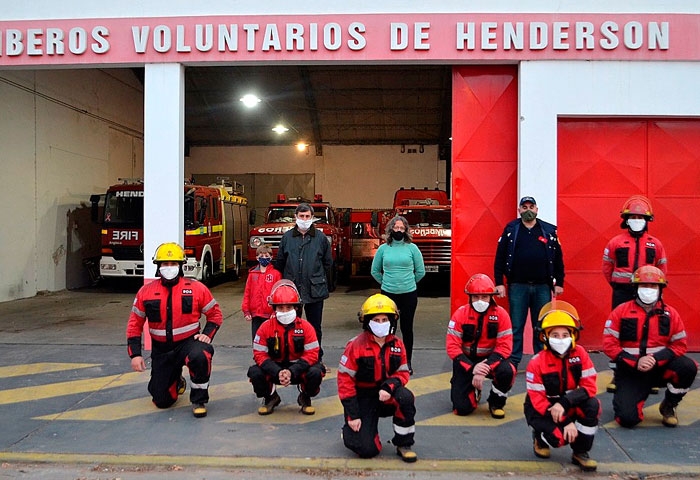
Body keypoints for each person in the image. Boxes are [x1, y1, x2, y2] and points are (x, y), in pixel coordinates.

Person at [126, 242, 223, 418]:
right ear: (158, 266)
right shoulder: (145, 292)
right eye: (165, 264)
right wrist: (135, 354)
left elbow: (215, 314)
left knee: (201, 355)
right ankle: (176, 380)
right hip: (162, 350)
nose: (169, 268)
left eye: (173, 264)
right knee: (161, 401)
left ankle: (199, 400)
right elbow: (135, 323)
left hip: (189, 343)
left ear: (181, 266)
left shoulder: (196, 288)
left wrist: (207, 335)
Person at [602, 266, 698, 428]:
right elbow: (609, 344)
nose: (648, 290)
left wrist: (655, 359)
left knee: (688, 367)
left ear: (661, 289)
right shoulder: (620, 312)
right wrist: (635, 361)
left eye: (653, 286)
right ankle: (630, 397)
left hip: (660, 368)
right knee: (627, 419)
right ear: (635, 288)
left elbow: (680, 345)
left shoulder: (671, 314)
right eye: (644, 286)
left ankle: (669, 405)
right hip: (631, 371)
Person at [338, 294, 417, 462]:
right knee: (367, 450)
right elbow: (345, 382)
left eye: (384, 319)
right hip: (363, 398)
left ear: (392, 321)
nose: (381, 324)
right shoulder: (355, 346)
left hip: (386, 395)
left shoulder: (398, 344)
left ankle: (404, 443)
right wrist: (353, 415)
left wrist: (389, 386)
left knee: (405, 397)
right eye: (376, 320)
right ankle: (351, 431)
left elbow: (403, 372)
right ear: (366, 321)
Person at [602, 195, 668, 393]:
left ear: (647, 220)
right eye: (633, 217)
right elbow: (607, 268)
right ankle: (619, 374)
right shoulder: (615, 242)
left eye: (641, 217)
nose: (637, 220)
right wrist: (618, 286)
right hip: (622, 291)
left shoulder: (655, 244)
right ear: (626, 219)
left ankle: (652, 375)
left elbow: (662, 268)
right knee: (622, 331)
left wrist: (655, 290)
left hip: (649, 292)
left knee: (652, 332)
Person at [524, 300, 600, 472]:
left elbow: (590, 387)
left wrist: (564, 404)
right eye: (555, 335)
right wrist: (565, 422)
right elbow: (538, 400)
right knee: (560, 439)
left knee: (593, 405)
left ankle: (580, 452)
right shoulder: (536, 362)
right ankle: (540, 437)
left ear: (573, 335)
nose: (561, 339)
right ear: (545, 337)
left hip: (568, 405)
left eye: (565, 334)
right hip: (542, 410)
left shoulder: (580, 354)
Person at [494, 196, 564, 369]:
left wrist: (559, 282)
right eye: (524, 207)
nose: (528, 210)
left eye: (531, 206)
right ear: (519, 210)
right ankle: (513, 361)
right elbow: (500, 258)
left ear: (537, 209)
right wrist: (499, 282)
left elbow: (558, 259)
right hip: (518, 285)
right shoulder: (511, 230)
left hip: (542, 286)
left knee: (541, 325)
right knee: (516, 325)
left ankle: (541, 360)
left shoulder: (548, 231)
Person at [247, 279, 325, 416]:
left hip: (299, 371)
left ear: (296, 308)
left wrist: (292, 371)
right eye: (280, 308)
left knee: (316, 372)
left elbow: (313, 354)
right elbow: (259, 354)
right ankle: (271, 397)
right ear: (274, 308)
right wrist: (277, 372)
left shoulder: (306, 328)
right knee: (255, 373)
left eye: (288, 307)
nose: (284, 311)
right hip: (274, 371)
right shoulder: (265, 328)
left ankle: (305, 396)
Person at [445, 273, 516, 419]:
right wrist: (472, 368)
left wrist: (485, 367)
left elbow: (505, 347)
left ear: (491, 297)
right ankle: (470, 390)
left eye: (484, 297)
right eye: (476, 297)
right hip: (466, 361)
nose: (480, 301)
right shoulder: (460, 315)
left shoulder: (502, 315)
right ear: (469, 297)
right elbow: (452, 346)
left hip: (490, 361)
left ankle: (496, 403)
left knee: (507, 371)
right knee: (462, 409)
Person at [275, 202, 333, 362]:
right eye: (302, 216)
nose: (305, 219)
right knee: (291, 325)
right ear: (296, 217)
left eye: (308, 216)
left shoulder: (320, 238)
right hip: (292, 290)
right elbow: (280, 261)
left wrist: (323, 282)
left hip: (315, 289)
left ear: (312, 218)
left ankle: (315, 357)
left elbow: (328, 263)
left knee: (315, 327)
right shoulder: (287, 238)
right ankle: (292, 355)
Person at [370, 215, 425, 374]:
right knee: (388, 329)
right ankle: (388, 361)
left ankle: (407, 362)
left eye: (402, 228)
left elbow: (420, 271)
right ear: (391, 229)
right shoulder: (383, 249)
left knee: (407, 329)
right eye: (396, 228)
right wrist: (386, 282)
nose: (399, 230)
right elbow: (375, 271)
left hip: (409, 294)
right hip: (388, 295)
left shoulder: (412, 248)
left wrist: (409, 282)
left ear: (406, 230)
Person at [241, 244, 282, 341]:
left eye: (266, 256)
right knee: (256, 339)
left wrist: (275, 311)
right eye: (261, 256)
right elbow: (247, 293)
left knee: (270, 339)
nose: (264, 258)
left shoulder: (276, 274)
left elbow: (278, 294)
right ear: (256, 258)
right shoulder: (252, 274)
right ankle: (257, 355)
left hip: (270, 314)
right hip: (255, 314)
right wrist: (246, 310)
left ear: (271, 257)